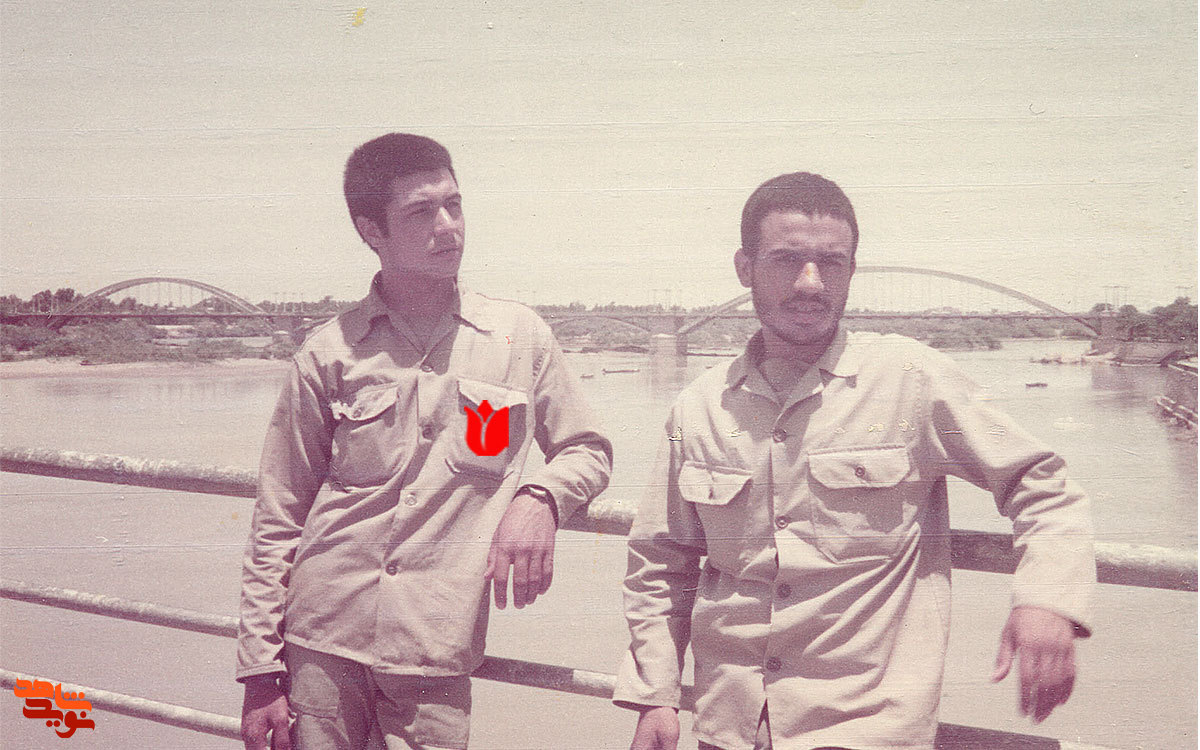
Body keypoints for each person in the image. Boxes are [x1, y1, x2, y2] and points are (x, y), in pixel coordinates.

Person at [613, 172, 1095, 750]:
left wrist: (1047, 599)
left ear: (851, 270)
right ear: (745, 268)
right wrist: (656, 694)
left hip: (863, 729)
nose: (811, 282)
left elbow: (1041, 484)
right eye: (787, 260)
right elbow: (661, 561)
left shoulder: (912, 380)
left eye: (831, 263)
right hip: (728, 727)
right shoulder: (698, 407)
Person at [237, 133, 612, 750]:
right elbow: (279, 514)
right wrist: (259, 671)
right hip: (321, 644)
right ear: (372, 231)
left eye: (454, 205)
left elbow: (588, 448)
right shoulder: (329, 353)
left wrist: (540, 498)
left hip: (433, 648)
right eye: (420, 212)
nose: (448, 226)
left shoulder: (517, 338)